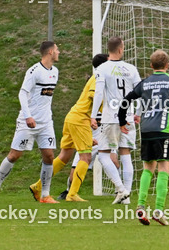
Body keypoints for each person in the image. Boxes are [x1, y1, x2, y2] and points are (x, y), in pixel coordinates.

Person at [28, 53, 118, 203]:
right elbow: (94, 97)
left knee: (64, 156)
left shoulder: (98, 77)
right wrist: (94, 116)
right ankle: (72, 194)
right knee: (86, 157)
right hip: (80, 118)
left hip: (73, 116)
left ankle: (38, 186)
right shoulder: (99, 77)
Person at [0, 41, 60, 204]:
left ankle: (45, 195)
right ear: (50, 52)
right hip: (28, 122)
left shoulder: (55, 72)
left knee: (49, 156)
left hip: (46, 123)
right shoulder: (34, 71)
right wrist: (28, 116)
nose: (59, 52)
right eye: (57, 50)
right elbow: (22, 93)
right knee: (14, 155)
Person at [118, 50, 169, 226]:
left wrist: (121, 120)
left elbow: (126, 100)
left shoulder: (145, 82)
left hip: (146, 130)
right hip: (163, 130)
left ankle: (140, 206)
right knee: (164, 167)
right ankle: (158, 210)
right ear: (167, 65)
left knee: (148, 168)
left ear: (151, 65)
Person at [92, 37, 141, 201]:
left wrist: (93, 116)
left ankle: (121, 189)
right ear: (120, 49)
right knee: (125, 153)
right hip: (127, 116)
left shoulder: (102, 68)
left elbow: (98, 92)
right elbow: (141, 92)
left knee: (103, 154)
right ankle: (126, 196)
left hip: (110, 118)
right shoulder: (131, 68)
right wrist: (138, 113)